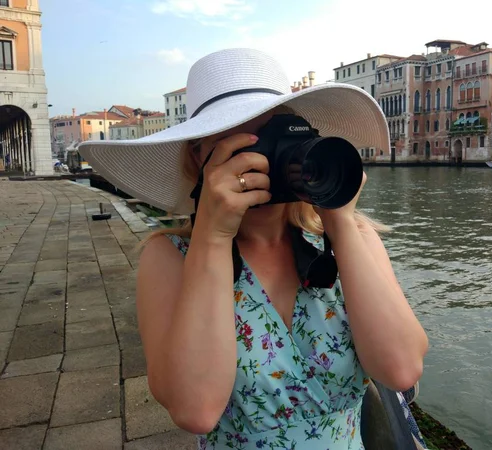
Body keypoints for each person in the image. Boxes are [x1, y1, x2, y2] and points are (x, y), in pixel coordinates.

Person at [79, 48, 428, 449]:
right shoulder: (170, 258)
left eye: (284, 132)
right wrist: (212, 235)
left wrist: (339, 219)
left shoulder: (353, 239)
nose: (271, 156)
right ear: (200, 155)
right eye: (249, 139)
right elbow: (195, 410)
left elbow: (400, 371)